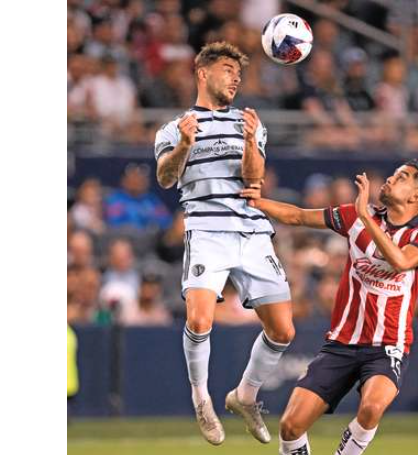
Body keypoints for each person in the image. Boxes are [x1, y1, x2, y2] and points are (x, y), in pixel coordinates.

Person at [240, 159, 418, 455]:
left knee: (372, 407)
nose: (389, 177)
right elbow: (297, 216)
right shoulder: (355, 217)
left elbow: (400, 261)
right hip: (341, 344)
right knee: (290, 426)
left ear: (417, 197)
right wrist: (256, 202)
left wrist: (365, 215)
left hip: (387, 346)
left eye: (401, 177)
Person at [153, 41, 294, 445]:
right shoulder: (174, 127)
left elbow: (254, 179)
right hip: (206, 230)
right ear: (203, 72)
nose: (236, 77)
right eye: (228, 69)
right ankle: (202, 399)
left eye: (239, 72)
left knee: (283, 331)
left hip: (251, 231)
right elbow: (165, 178)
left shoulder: (249, 122)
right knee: (199, 320)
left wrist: (250, 140)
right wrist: (183, 144)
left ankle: (245, 396)